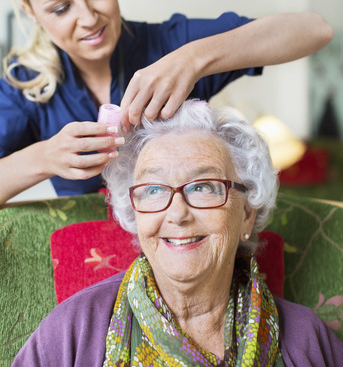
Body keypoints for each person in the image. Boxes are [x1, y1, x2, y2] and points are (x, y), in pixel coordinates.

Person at [0, 0, 334, 204]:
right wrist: (44, 157)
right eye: (61, 8)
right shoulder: (24, 84)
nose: (88, 18)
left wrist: (193, 59)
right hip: (93, 260)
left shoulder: (170, 43)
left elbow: (315, 30)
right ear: (31, 11)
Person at [11, 99, 343, 366]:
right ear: (134, 214)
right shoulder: (74, 332)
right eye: (154, 190)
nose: (177, 214)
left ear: (246, 214)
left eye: (203, 187)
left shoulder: (305, 339)